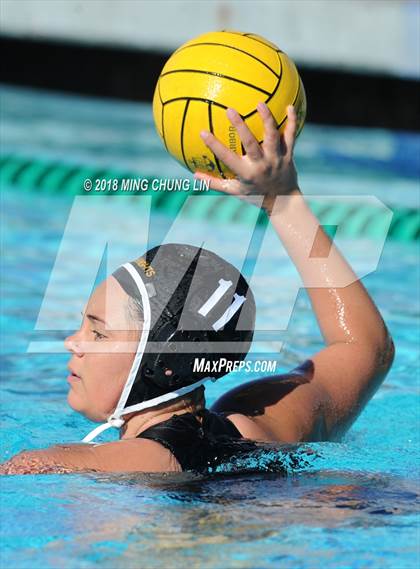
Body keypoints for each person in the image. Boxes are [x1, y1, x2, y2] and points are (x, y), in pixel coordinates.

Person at [0, 104, 395, 476]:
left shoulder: (63, 465)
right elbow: (364, 346)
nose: (73, 342)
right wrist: (284, 201)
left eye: (98, 332)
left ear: (164, 363)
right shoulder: (258, 425)